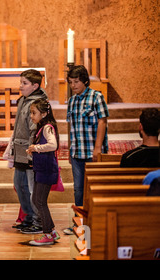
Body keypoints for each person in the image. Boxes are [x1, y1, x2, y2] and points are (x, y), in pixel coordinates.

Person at [7, 69, 47, 234]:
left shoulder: (37, 103)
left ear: (35, 85)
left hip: (30, 152)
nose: (20, 86)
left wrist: (32, 150)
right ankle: (28, 218)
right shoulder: (24, 99)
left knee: (31, 189)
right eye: (21, 82)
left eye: (25, 83)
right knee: (19, 185)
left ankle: (38, 222)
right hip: (20, 150)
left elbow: (35, 129)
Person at [67, 65, 109, 207]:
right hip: (76, 152)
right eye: (70, 82)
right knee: (78, 189)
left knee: (95, 188)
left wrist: (98, 148)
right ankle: (80, 223)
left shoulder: (96, 97)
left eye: (76, 81)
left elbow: (102, 122)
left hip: (92, 152)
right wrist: (70, 150)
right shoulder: (72, 101)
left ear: (85, 81)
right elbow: (71, 127)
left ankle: (95, 222)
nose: (73, 85)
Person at [26, 98, 61, 246]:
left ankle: (47, 234)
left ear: (44, 113)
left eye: (34, 113)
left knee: (39, 201)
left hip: (46, 169)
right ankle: (51, 231)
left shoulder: (47, 127)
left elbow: (53, 145)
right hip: (42, 168)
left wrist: (36, 148)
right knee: (38, 200)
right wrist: (33, 150)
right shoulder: (42, 128)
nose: (32, 116)